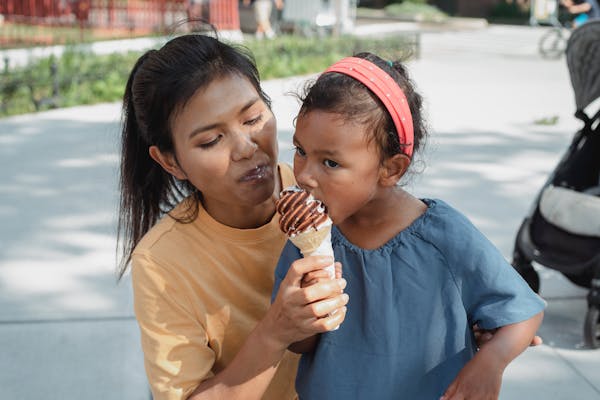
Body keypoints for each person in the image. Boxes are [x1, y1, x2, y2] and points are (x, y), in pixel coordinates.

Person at [272, 53, 546, 400]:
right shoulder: (306, 239)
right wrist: (304, 309)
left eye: (330, 162)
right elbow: (300, 344)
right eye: (300, 151)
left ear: (391, 169)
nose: (305, 175)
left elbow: (522, 312)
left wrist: (491, 363)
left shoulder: (443, 235)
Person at [118, 32, 349, 400]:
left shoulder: (324, 185)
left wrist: (479, 344)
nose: (245, 148)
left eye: (253, 118)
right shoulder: (161, 264)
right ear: (170, 161)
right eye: (211, 140)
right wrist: (275, 332)